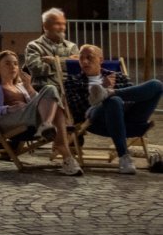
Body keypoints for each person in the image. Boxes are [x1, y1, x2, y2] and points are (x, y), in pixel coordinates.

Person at [66, 45, 163, 175]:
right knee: (113, 101)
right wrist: (102, 87)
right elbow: (78, 108)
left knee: (157, 85)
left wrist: (108, 92)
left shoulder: (118, 76)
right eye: (81, 58)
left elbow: (133, 98)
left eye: (89, 57)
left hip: (128, 117)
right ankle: (124, 157)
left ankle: (109, 93)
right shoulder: (73, 81)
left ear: (101, 60)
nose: (84, 61)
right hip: (95, 119)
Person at [0, 51, 80, 176]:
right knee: (51, 91)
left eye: (15, 64)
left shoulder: (21, 86)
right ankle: (57, 140)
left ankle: (56, 139)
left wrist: (29, 88)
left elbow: (43, 104)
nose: (13, 67)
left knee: (53, 101)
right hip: (8, 120)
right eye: (7, 63)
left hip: (28, 117)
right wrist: (9, 108)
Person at [23, 8, 79, 92]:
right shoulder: (34, 46)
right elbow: (37, 69)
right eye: (57, 24)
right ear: (45, 26)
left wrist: (53, 61)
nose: (62, 27)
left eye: (64, 24)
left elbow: (76, 68)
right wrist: (67, 62)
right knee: (51, 89)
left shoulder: (71, 46)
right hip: (44, 89)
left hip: (69, 89)